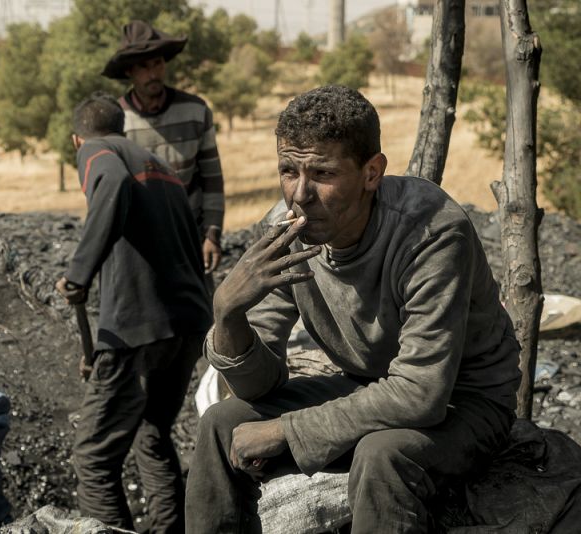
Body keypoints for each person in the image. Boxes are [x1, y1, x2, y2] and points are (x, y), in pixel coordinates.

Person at [184, 85, 522, 533]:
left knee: (382, 455)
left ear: (371, 173)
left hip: (466, 401)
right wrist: (228, 314)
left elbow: (422, 393)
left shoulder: (431, 232)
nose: (299, 194)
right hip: (369, 385)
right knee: (220, 423)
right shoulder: (286, 232)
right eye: (288, 171)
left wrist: (287, 430)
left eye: (322, 173)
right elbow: (259, 386)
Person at [54, 92, 212, 533]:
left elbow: (113, 184)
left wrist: (78, 274)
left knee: (93, 457)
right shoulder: (160, 165)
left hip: (138, 328)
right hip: (187, 324)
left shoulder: (95, 151)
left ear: (77, 139)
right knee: (151, 435)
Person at [102, 20, 225, 282]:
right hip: (137, 245)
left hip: (190, 237)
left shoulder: (196, 111)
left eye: (157, 63)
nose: (153, 73)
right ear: (129, 71)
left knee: (201, 306)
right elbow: (109, 191)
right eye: (143, 67)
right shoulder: (116, 120)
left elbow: (212, 179)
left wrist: (212, 234)